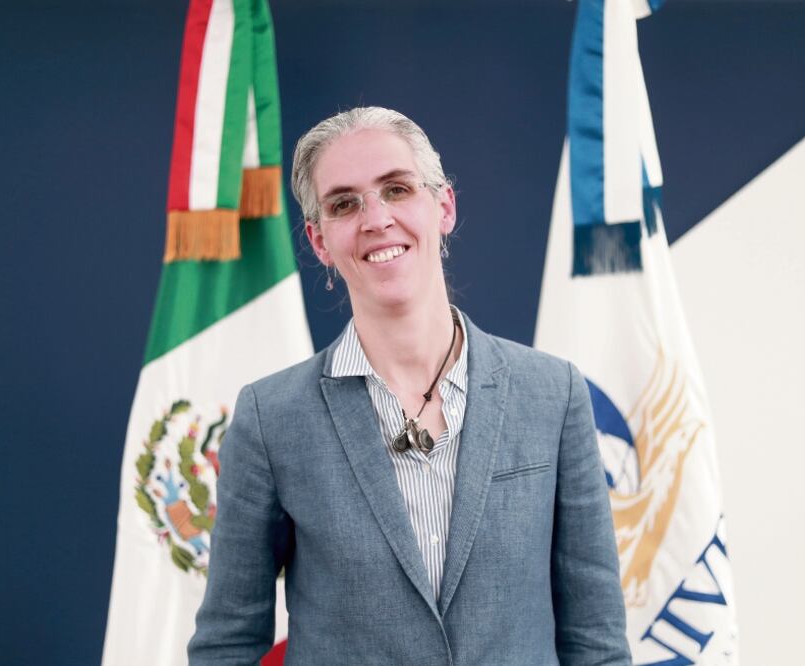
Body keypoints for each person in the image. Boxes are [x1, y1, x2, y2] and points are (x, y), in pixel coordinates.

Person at [188, 107, 630, 665]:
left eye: (396, 189)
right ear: (319, 240)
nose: (375, 218)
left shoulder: (553, 394)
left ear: (443, 206)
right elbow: (226, 645)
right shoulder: (271, 419)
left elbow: (596, 643)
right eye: (344, 203)